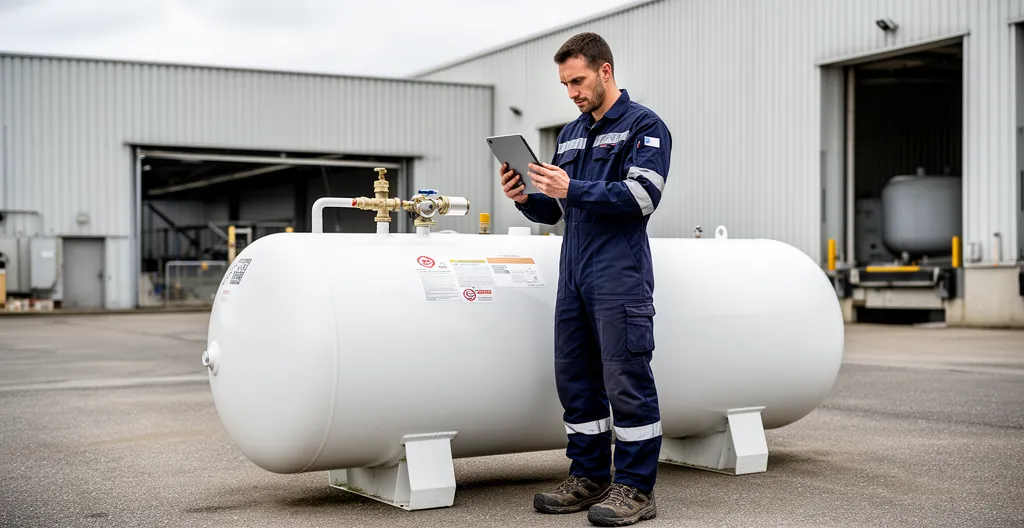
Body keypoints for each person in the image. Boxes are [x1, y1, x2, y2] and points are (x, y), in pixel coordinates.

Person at [499, 32, 671, 527]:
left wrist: (573, 185)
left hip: (619, 271)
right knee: (574, 378)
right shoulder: (571, 133)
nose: (571, 92)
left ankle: (636, 488)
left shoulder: (645, 127)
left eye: (577, 81)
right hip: (572, 270)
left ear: (605, 72)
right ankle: (589, 476)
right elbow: (555, 209)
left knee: (626, 378)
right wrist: (525, 196)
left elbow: (642, 197)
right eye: (565, 84)